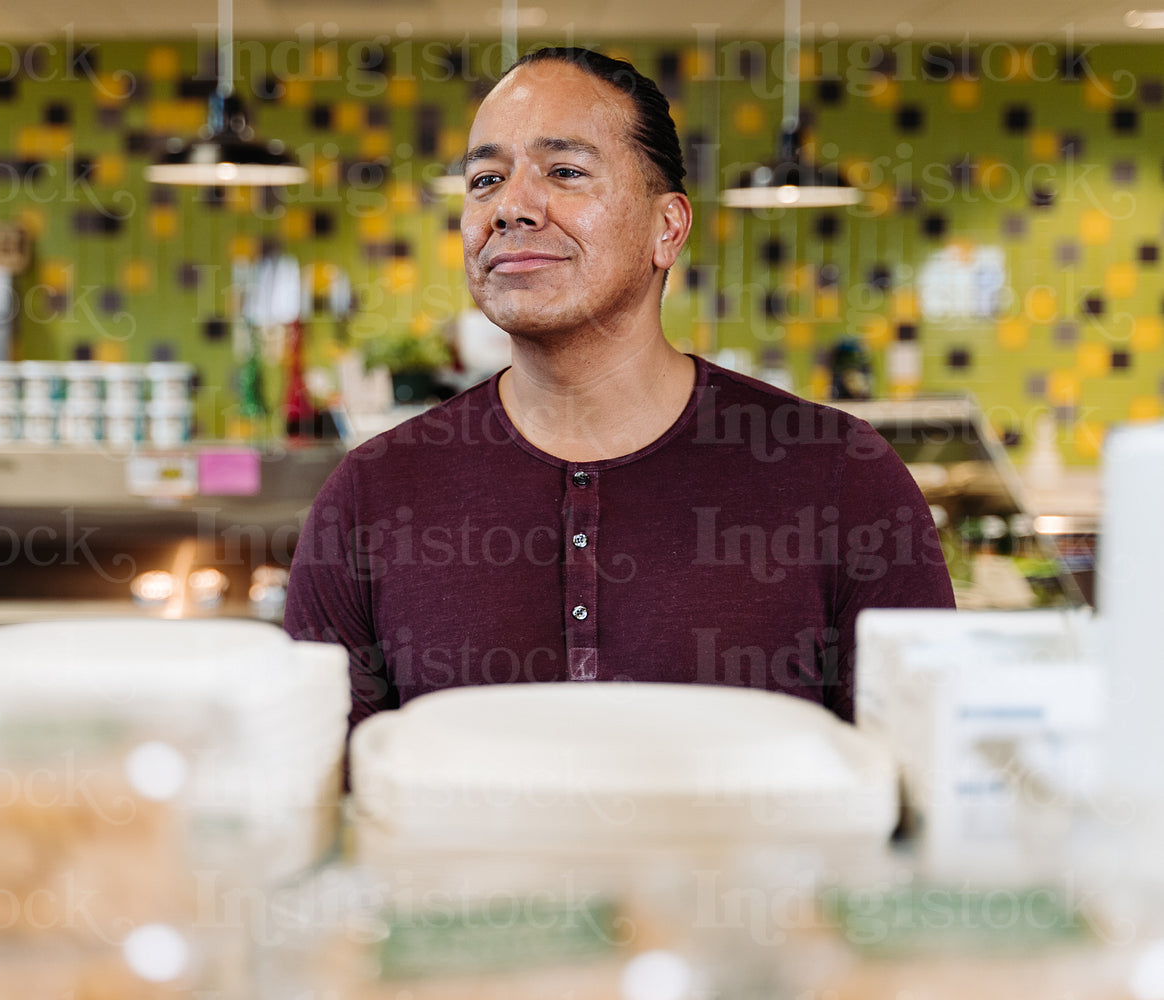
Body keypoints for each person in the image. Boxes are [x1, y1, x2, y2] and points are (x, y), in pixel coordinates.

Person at [284, 46, 954, 733]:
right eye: (485, 179)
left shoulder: (839, 475)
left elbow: (927, 779)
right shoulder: (372, 494)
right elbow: (308, 793)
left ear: (668, 228)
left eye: (566, 172)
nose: (510, 206)